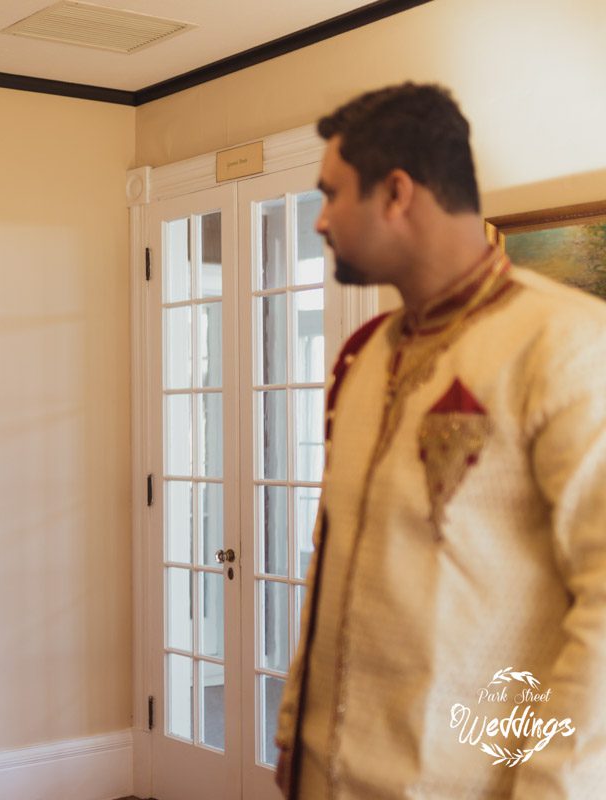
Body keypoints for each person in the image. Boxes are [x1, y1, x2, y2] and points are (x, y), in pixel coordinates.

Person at [274, 83, 606, 798]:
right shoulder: (364, 357)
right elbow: (332, 553)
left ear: (397, 192)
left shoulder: (567, 347)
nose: (321, 220)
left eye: (331, 194)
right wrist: (295, 731)